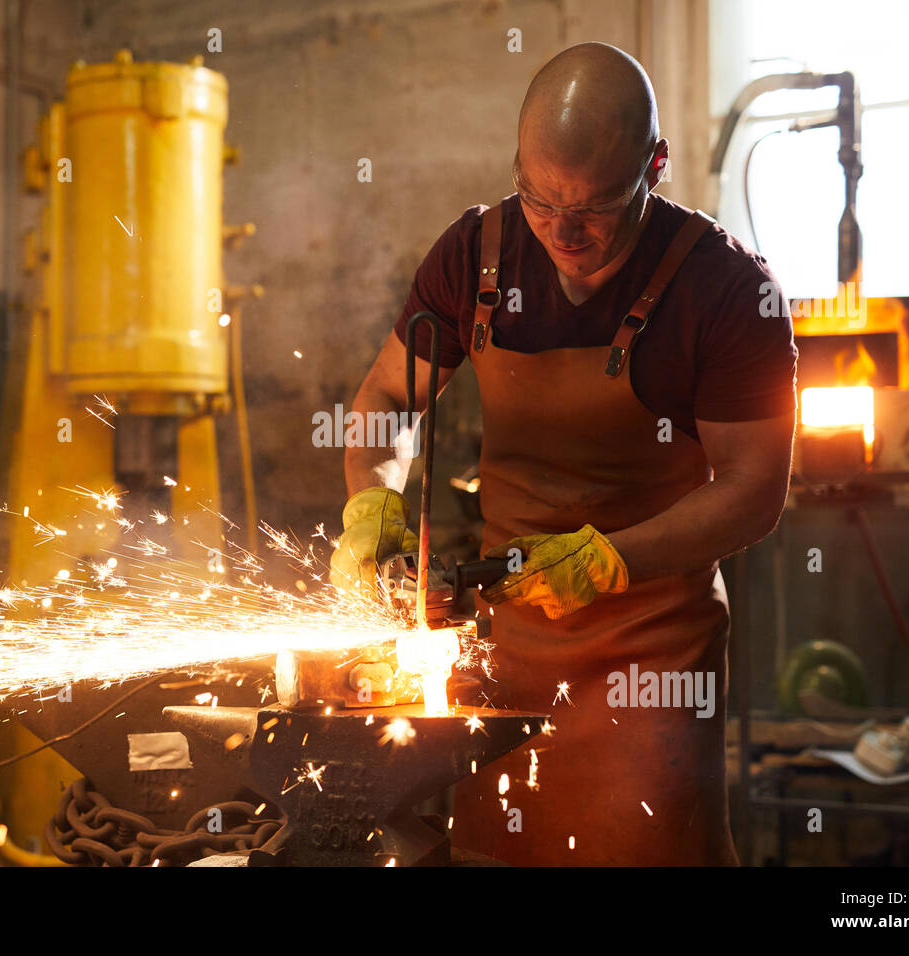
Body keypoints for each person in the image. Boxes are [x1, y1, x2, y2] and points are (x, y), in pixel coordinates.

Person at [330, 42, 797, 865]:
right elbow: (384, 402)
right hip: (509, 648)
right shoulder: (473, 255)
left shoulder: (726, 291)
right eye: (540, 201)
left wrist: (608, 561)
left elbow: (756, 490)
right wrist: (372, 501)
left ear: (656, 166)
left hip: (652, 654)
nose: (565, 232)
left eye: (596, 208)